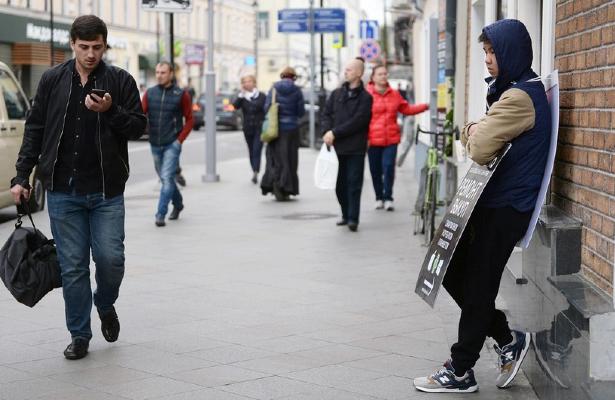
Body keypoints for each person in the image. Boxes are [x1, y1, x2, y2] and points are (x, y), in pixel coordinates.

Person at [413, 19, 551, 393]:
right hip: (491, 202)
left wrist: (474, 128)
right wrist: (478, 127)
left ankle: (460, 369)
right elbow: (480, 138)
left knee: (478, 284)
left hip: (507, 207)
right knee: (454, 272)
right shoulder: (509, 92)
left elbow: (477, 148)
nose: (488, 60)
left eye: (493, 52)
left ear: (512, 52)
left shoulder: (520, 97)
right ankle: (508, 338)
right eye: (485, 52)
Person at [10, 15, 146, 360]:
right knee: (73, 266)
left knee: (110, 259)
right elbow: (35, 128)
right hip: (62, 191)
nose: (90, 54)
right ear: (72, 44)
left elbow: (137, 128)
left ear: (104, 45)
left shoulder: (120, 80)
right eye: (84, 47)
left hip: (106, 191)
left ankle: (105, 302)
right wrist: (22, 176)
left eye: (97, 47)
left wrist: (111, 110)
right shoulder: (53, 80)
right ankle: (79, 334)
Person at [367, 64, 428, 211]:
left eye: (385, 74)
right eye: (380, 74)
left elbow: (406, 109)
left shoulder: (394, 94)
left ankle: (388, 197)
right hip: (372, 140)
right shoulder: (367, 94)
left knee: (388, 168)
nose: (383, 76)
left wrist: (425, 106)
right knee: (375, 170)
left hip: (391, 139)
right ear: (373, 77)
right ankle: (378, 197)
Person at [322, 58, 373, 232]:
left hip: (355, 148)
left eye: (350, 69)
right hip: (337, 148)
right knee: (339, 185)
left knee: (354, 183)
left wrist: (335, 132)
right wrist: (326, 131)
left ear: (359, 73)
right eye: (346, 69)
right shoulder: (336, 94)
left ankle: (353, 218)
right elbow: (326, 114)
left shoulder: (366, 98)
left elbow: (358, 121)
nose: (346, 72)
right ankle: (345, 214)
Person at [142, 61, 194, 227]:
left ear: (171, 74)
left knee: (166, 178)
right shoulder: (149, 93)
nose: (159, 75)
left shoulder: (181, 94)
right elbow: (140, 115)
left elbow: (190, 119)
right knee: (167, 179)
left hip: (172, 143)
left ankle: (160, 214)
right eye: (157, 72)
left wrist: (179, 140)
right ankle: (178, 204)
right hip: (155, 143)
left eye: (163, 72)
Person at [260, 67, 305, 200]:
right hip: (291, 129)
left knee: (276, 159)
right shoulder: (297, 90)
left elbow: (266, 107)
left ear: (282, 76)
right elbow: (301, 111)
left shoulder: (274, 88)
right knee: (290, 159)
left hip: (276, 129)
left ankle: (276, 186)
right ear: (293, 77)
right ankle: (288, 187)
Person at [233, 75, 266, 184]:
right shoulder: (242, 97)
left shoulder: (261, 96)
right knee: (251, 150)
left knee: (257, 150)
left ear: (254, 82)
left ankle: (256, 171)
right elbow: (235, 106)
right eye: (245, 82)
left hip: (259, 128)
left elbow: (265, 108)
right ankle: (254, 170)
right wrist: (241, 95)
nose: (247, 83)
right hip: (247, 128)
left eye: (249, 81)